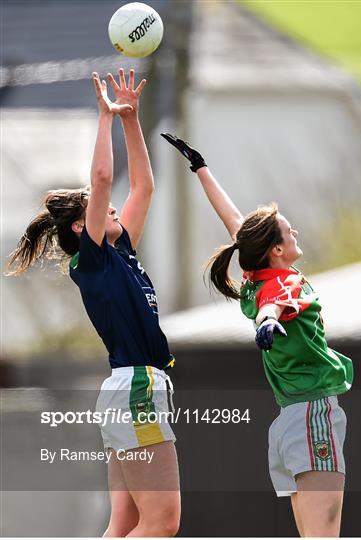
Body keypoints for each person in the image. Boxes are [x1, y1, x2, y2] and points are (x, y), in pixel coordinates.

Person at [7, 69, 180, 538]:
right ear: (83, 230)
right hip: (137, 388)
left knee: (124, 525)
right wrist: (104, 117)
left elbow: (143, 188)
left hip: (129, 390)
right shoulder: (95, 261)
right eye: (103, 209)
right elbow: (102, 175)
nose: (113, 208)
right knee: (161, 524)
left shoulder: (119, 254)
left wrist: (131, 119)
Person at [161, 133, 353, 538]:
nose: (295, 231)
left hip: (288, 420)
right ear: (277, 250)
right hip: (312, 413)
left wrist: (202, 170)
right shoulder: (284, 282)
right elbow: (276, 304)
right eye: (288, 230)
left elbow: (238, 228)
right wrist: (267, 321)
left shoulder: (258, 278)